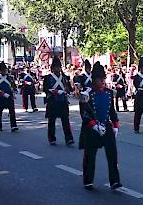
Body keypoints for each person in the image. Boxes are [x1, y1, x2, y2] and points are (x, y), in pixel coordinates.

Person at [79, 61, 122, 191]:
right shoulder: (87, 94)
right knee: (90, 155)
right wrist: (94, 126)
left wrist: (115, 125)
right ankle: (88, 180)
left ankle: (115, 181)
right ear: (94, 80)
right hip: (92, 128)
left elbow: (112, 111)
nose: (102, 81)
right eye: (99, 79)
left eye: (103, 78)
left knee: (112, 154)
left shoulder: (109, 92)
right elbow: (84, 114)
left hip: (106, 126)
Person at [43, 56, 74, 146]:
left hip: (63, 101)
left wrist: (67, 91)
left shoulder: (65, 78)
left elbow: (69, 89)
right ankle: (52, 138)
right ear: (52, 68)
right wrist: (54, 91)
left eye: (59, 67)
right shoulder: (48, 78)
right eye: (56, 67)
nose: (57, 69)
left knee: (65, 121)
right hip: (52, 101)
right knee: (51, 121)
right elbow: (45, 89)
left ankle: (69, 138)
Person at [0, 62, 18, 132]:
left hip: (9, 97)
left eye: (5, 70)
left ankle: (13, 126)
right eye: (3, 70)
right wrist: (2, 94)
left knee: (12, 112)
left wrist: (14, 91)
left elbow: (13, 86)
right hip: (0, 97)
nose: (5, 71)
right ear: (0, 71)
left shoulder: (10, 78)